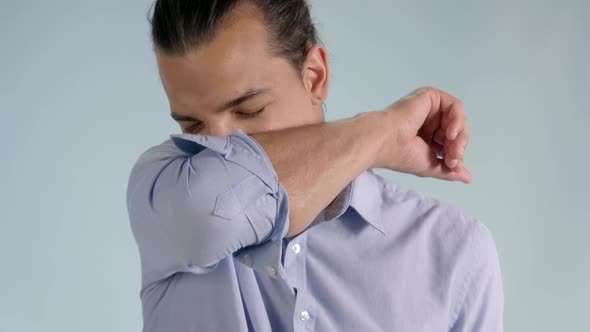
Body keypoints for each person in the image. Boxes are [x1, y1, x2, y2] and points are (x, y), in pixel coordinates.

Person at [126, 0, 504, 331]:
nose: (220, 146)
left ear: (315, 77)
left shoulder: (454, 250)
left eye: (249, 110)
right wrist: (381, 131)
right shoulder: (163, 189)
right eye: (192, 126)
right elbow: (215, 213)